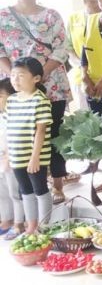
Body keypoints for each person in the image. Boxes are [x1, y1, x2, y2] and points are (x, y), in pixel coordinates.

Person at [0, 0, 72, 204]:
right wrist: (17, 79)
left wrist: (39, 76)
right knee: (23, 137)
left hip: (51, 85)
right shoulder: (3, 17)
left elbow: (61, 49)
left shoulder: (51, 16)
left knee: (53, 136)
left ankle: (58, 184)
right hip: (17, 89)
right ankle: (31, 189)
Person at [6, 57, 53, 234]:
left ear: (36, 78)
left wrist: (35, 158)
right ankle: (31, 226)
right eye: (13, 75)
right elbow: (10, 129)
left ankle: (44, 225)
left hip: (36, 156)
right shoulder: (12, 100)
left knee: (40, 189)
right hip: (18, 155)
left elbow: (40, 132)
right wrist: (9, 154)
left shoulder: (40, 100)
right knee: (25, 191)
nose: (15, 80)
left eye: (20, 75)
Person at [66, 0, 100, 111]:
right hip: (80, 73)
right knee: (86, 115)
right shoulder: (73, 18)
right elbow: (68, 47)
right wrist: (82, 67)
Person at [0, 78, 24, 239]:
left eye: (1, 96)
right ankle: (6, 220)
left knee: (15, 193)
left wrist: (8, 157)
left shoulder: (16, 116)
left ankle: (19, 222)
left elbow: (15, 138)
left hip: (13, 159)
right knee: (2, 192)